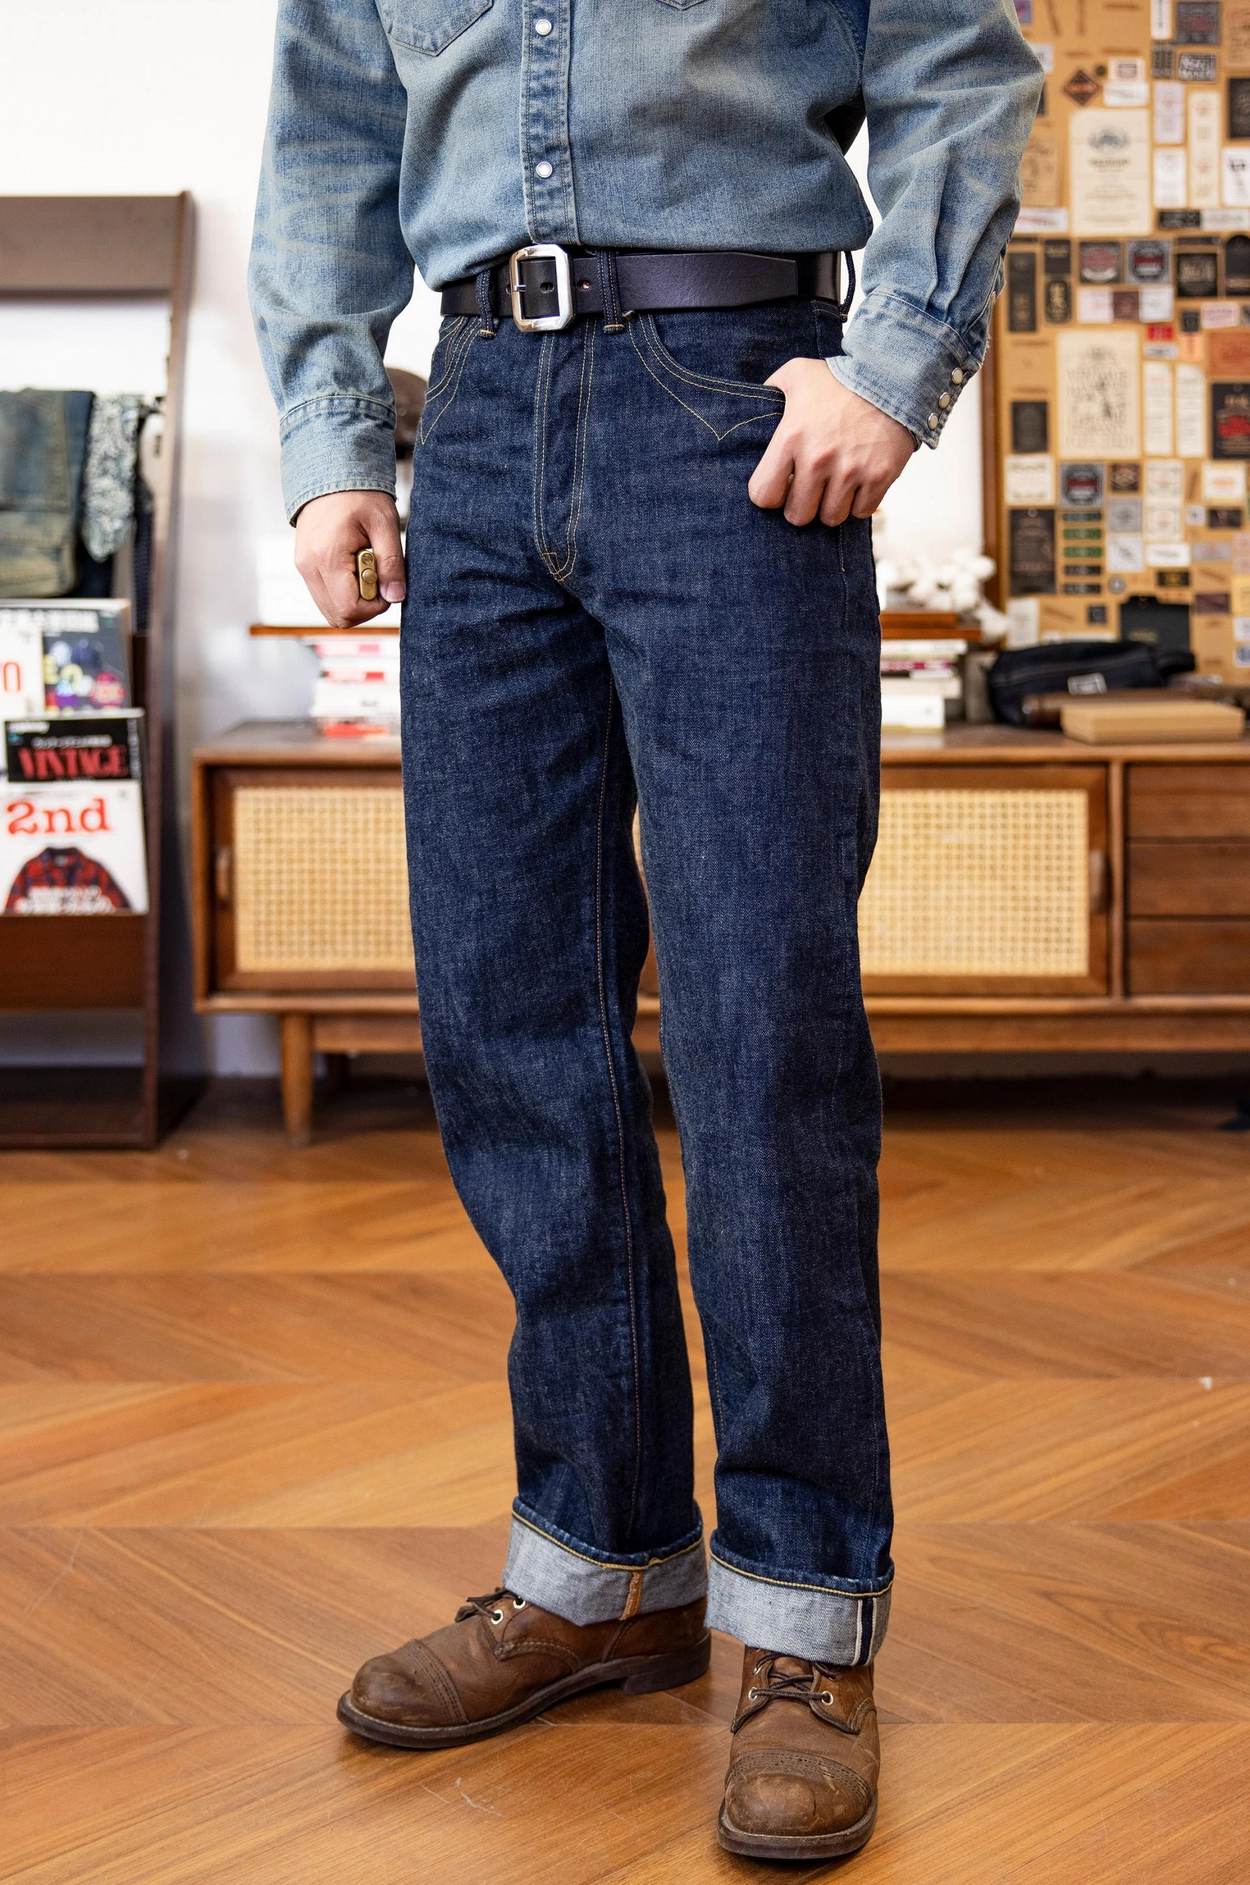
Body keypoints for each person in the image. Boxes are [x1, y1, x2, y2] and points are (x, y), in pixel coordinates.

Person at [249, 1, 1040, 1859]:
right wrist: (332, 438)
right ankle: (603, 1572)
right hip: (473, 419)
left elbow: (959, 66)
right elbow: (328, 131)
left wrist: (892, 362)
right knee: (508, 1025)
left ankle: (804, 1613)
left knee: (761, 1037)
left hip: (734, 400)